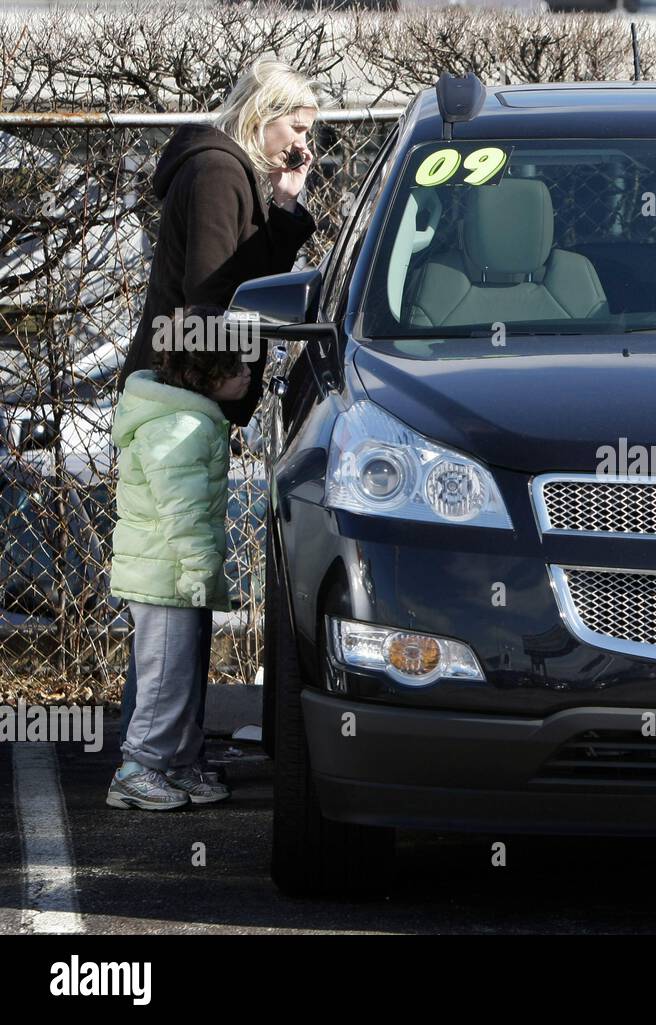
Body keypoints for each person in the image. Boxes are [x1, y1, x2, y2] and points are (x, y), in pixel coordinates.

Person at [114, 55, 323, 756]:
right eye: (295, 129)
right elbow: (212, 299)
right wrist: (227, 379)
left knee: (179, 587)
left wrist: (288, 204)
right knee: (175, 587)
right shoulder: (217, 174)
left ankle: (171, 751)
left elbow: (241, 279)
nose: (303, 145)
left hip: (184, 397)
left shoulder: (230, 173)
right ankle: (151, 758)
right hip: (181, 398)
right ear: (262, 116)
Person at [108, 311, 251, 809]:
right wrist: (198, 569)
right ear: (206, 375)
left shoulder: (189, 420)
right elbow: (183, 512)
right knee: (166, 675)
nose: (248, 373)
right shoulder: (181, 426)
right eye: (238, 366)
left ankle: (179, 762)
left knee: (184, 676)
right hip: (166, 575)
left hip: (173, 574)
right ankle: (138, 768)